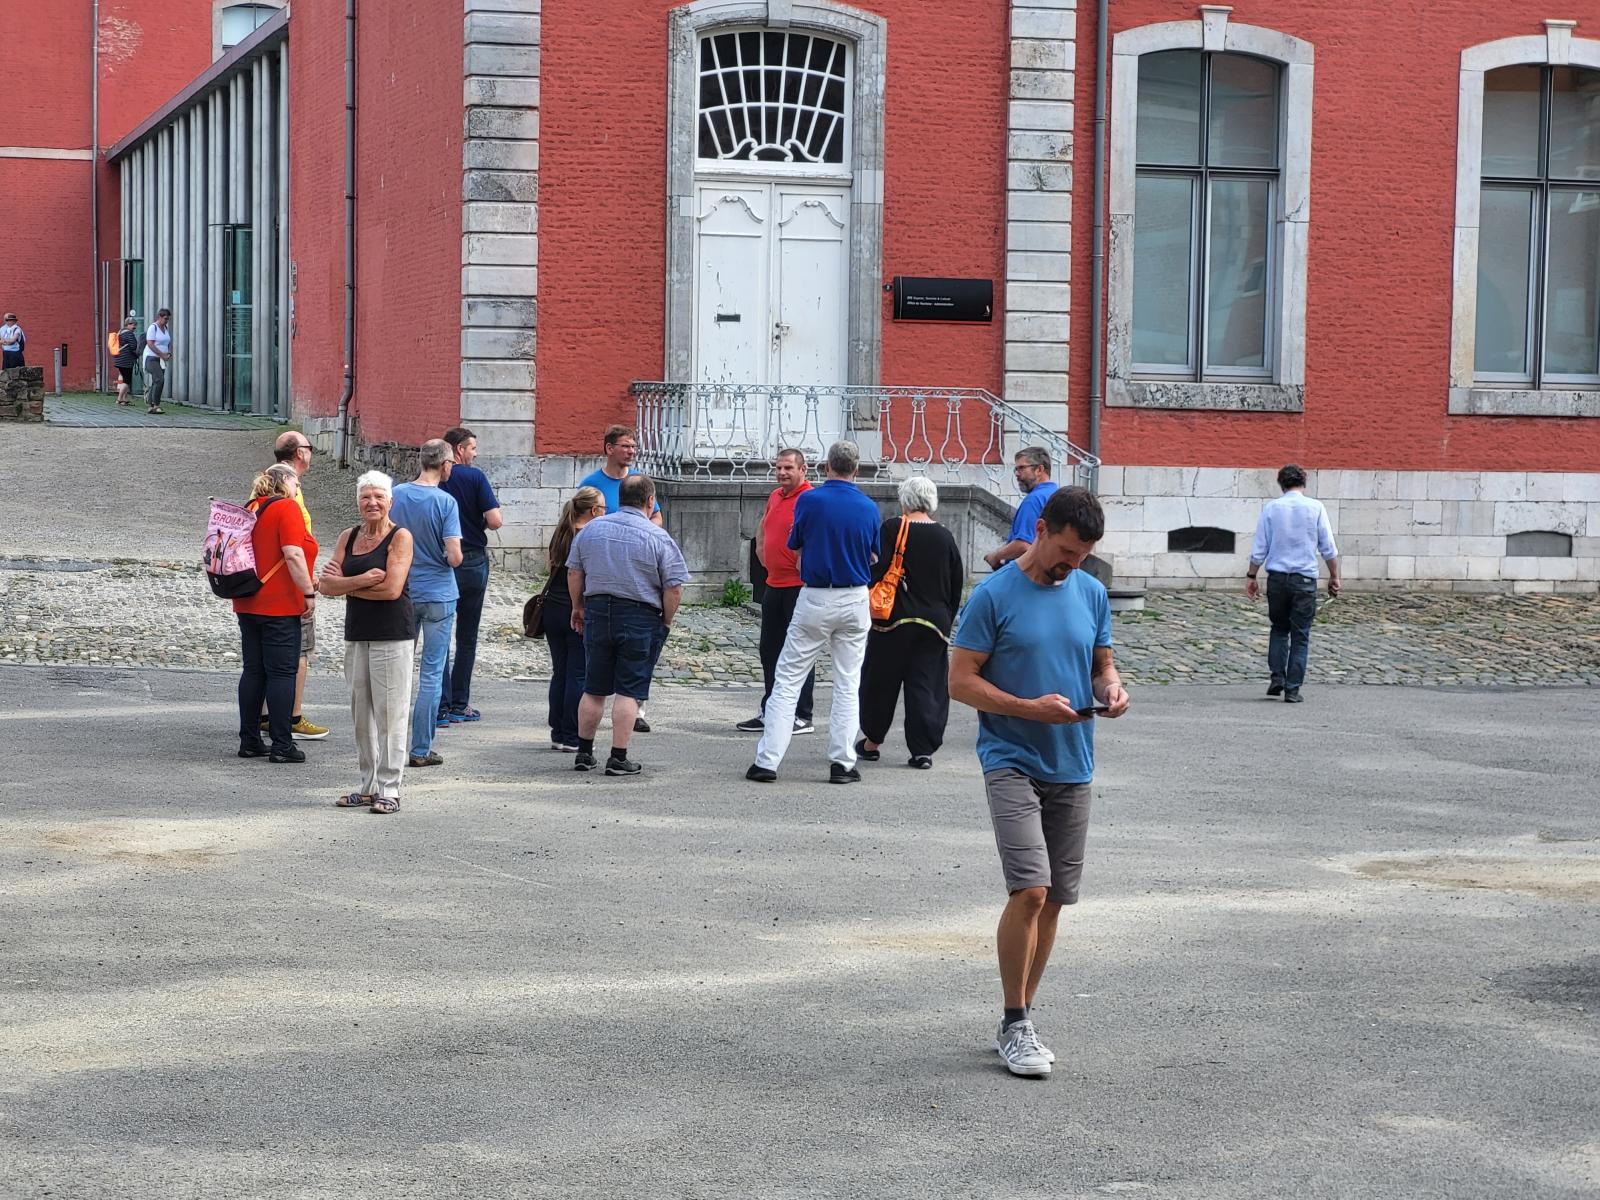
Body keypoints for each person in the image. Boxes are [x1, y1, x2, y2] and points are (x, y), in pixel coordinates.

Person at [949, 485, 1130, 1079]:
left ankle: (1019, 1017)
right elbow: (960, 681)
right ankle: (1015, 1021)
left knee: (1054, 900)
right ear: (1042, 530)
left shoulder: (1091, 592)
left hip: (1074, 760)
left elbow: (1101, 662)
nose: (1072, 564)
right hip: (1010, 756)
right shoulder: (994, 595)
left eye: (1083, 556)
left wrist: (1110, 689)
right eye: (1067, 551)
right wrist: (1029, 709)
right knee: (1030, 889)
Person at [745, 441, 881, 785]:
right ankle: (843, 763)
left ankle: (767, 761)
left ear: (826, 467)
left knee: (788, 678)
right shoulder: (869, 507)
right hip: (854, 596)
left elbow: (796, 545)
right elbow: (873, 557)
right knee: (847, 683)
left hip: (816, 594)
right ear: (857, 469)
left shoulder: (810, 500)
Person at [566, 474, 687, 776]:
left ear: (619, 498)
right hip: (639, 615)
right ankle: (618, 757)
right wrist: (666, 620)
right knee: (629, 689)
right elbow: (674, 587)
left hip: (597, 610)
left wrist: (578, 607)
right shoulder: (658, 537)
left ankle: (584, 753)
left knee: (594, 687)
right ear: (650, 501)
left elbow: (574, 572)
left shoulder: (592, 529)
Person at [317, 471, 416, 815]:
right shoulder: (348, 536)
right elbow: (325, 586)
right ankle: (369, 786)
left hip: (392, 633)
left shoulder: (400, 537)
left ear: (391, 501)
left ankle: (390, 788)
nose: (372, 502)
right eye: (365, 497)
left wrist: (346, 585)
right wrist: (363, 579)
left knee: (390, 714)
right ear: (358, 501)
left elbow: (391, 589)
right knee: (362, 714)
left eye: (378, 496)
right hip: (357, 632)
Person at [856, 476, 965, 770]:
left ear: (904, 499)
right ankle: (922, 751)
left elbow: (876, 570)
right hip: (934, 624)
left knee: (880, 682)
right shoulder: (945, 536)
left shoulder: (893, 528)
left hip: (893, 621)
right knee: (926, 685)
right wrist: (946, 619)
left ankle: (872, 742)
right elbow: (956, 584)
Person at [578, 423, 662, 733]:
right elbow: (580, 520)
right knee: (603, 658)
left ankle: (635, 710)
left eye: (633, 446)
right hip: (607, 571)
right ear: (609, 448)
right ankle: (599, 713)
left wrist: (643, 533)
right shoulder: (592, 483)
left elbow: (657, 516)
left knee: (636, 655)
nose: (630, 451)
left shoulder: (638, 482)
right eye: (625, 446)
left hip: (637, 569)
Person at [233, 465, 317, 765]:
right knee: (282, 673)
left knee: (253, 671)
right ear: (284, 481)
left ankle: (249, 740)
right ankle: (282, 744)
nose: (298, 487)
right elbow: (293, 553)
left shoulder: (251, 507)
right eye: (296, 482)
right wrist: (308, 591)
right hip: (279, 603)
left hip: (247, 599)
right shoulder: (287, 508)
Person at [389, 439, 463, 768]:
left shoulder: (397, 495)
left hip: (404, 590)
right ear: (445, 464)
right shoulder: (446, 502)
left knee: (397, 670)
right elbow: (455, 556)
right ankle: (420, 748)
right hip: (439, 593)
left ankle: (389, 744)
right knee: (431, 673)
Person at [736, 448, 816, 737]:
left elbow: (815, 538)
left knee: (799, 651)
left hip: (799, 587)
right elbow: (764, 528)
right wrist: (763, 554)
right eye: (779, 467)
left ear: (803, 470)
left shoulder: (810, 499)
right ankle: (771, 708)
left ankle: (802, 715)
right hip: (774, 584)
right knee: (769, 650)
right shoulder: (775, 496)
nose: (782, 473)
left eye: (788, 468)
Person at [1246, 464, 1341, 703]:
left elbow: (1260, 548)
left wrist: (1251, 576)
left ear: (1281, 484)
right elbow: (1328, 547)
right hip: (1304, 580)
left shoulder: (1271, 508)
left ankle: (1277, 677)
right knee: (1300, 635)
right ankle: (1293, 689)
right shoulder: (1316, 507)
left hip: (1277, 579)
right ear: (1304, 483)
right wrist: (1334, 576)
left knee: (1279, 629)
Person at [261, 431, 329, 741]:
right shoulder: (290, 492)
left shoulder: (266, 485)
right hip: (291, 586)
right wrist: (307, 585)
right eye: (309, 448)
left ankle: (265, 716)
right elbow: (293, 547)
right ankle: (292, 716)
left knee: (264, 657)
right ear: (299, 453)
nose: (311, 453)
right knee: (298, 651)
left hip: (272, 586)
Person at [440, 425, 504, 725]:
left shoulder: (431, 479)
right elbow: (495, 520)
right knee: (467, 636)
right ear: (459, 449)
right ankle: (459, 703)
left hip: (440, 560)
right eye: (472, 448)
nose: (475, 454)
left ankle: (439, 705)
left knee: (439, 635)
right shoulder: (474, 477)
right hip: (472, 558)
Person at [543, 487, 605, 752]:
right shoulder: (588, 536)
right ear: (594, 511)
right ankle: (571, 734)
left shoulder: (562, 531)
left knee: (560, 672)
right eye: (604, 508)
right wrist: (579, 607)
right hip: (574, 609)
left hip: (552, 609)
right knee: (578, 673)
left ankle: (557, 731)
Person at [983, 447, 1058, 571]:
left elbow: (1023, 545)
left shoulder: (1034, 500)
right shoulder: (1056, 493)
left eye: (1022, 468)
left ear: (1039, 470)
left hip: (1027, 574)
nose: (1017, 474)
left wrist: (996, 556)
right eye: (1016, 469)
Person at [143, 308, 172, 414]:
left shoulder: (165, 328)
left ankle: (151, 405)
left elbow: (168, 342)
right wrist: (162, 354)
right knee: (159, 379)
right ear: (159, 317)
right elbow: (150, 344)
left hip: (161, 359)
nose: (166, 321)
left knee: (156, 381)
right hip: (151, 358)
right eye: (165, 318)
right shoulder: (153, 328)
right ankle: (156, 404)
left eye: (168, 319)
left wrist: (169, 352)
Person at [111, 317, 141, 405]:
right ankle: (119, 399)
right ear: (127, 325)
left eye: (135, 325)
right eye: (132, 324)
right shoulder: (129, 334)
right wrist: (137, 354)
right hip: (126, 360)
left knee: (124, 378)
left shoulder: (120, 332)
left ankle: (124, 398)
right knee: (127, 381)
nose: (134, 326)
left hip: (119, 359)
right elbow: (133, 346)